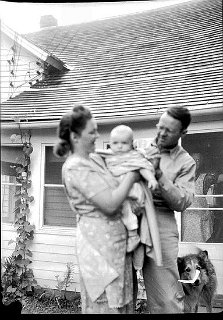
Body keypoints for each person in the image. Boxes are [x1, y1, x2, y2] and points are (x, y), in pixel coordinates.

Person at [54, 105, 140, 314]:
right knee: (104, 305)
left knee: (122, 304)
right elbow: (110, 204)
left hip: (117, 247)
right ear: (75, 136)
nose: (97, 135)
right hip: (98, 248)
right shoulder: (75, 167)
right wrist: (132, 175)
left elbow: (120, 157)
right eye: (92, 131)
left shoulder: (93, 159)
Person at [139, 106, 196, 314]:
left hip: (161, 225)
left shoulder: (186, 162)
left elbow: (182, 202)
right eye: (159, 127)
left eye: (168, 131)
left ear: (182, 133)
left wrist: (159, 174)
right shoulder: (141, 150)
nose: (161, 133)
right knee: (119, 288)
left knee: (165, 298)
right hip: (130, 219)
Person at [104, 125, 158, 253]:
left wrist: (151, 179)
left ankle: (133, 234)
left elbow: (143, 167)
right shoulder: (109, 157)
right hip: (116, 191)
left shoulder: (134, 156)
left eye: (124, 143)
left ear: (131, 144)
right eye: (115, 143)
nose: (119, 146)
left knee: (125, 209)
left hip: (132, 192)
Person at [181, 152, 214, 242]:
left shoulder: (205, 178)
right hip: (185, 212)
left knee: (197, 218)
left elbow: (218, 178)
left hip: (201, 212)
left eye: (198, 160)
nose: (195, 162)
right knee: (188, 218)